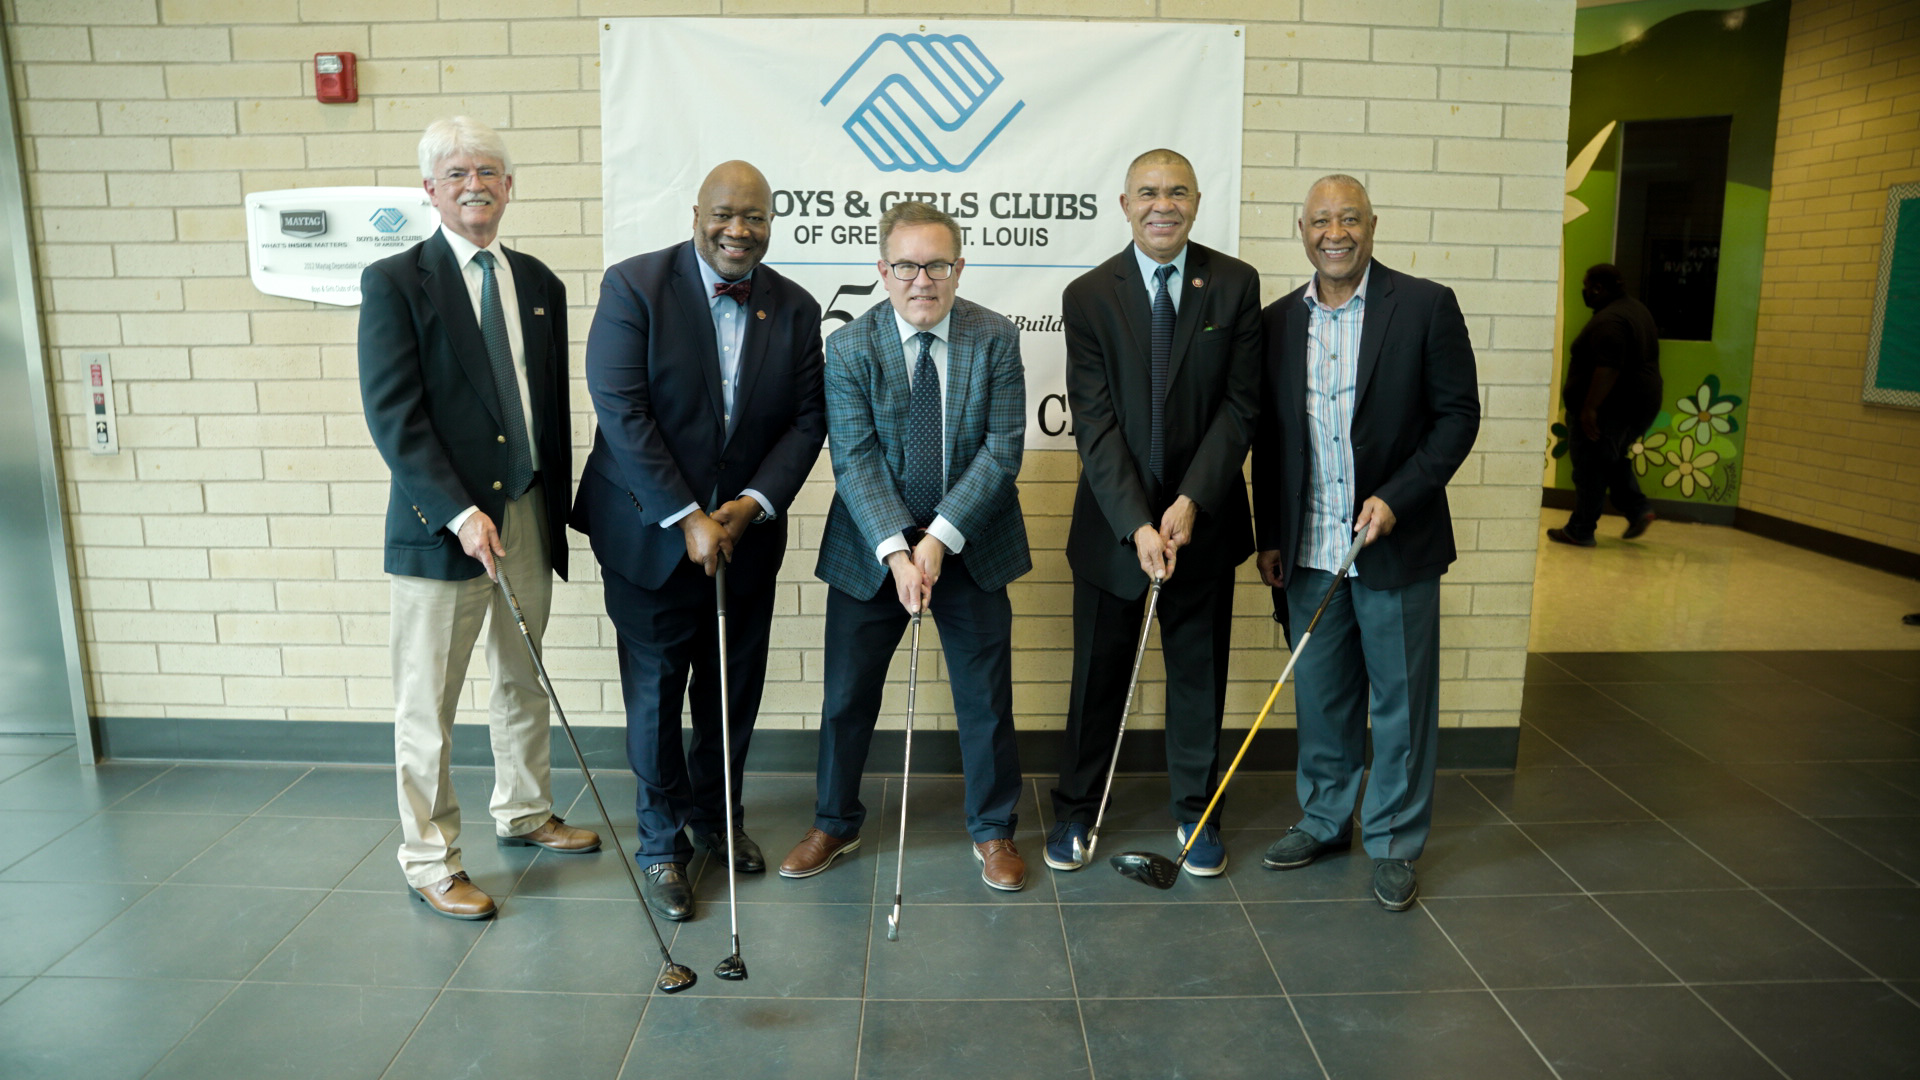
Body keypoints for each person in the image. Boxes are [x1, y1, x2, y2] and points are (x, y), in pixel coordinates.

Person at [571, 161, 826, 922]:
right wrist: (687, 517)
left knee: (730, 693)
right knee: (655, 698)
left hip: (744, 539)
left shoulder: (796, 307)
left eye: (754, 217)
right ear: (695, 214)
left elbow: (806, 421)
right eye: (725, 214)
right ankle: (660, 844)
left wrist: (747, 506)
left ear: (771, 224)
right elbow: (623, 410)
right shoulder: (633, 287)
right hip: (649, 539)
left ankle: (716, 819)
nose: (738, 231)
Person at [359, 116, 599, 921]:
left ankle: (525, 811)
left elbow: (545, 408)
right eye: (457, 172)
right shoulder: (395, 283)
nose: (476, 185)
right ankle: (430, 858)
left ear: (509, 186)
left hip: (526, 511)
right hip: (442, 529)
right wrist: (460, 511)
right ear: (430, 189)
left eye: (490, 171)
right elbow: (395, 416)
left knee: (522, 677)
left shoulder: (537, 283)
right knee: (428, 703)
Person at [777, 201, 1032, 892]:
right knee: (846, 697)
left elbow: (1003, 449)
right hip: (870, 549)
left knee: (986, 698)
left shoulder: (995, 337)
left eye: (938, 265)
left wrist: (942, 538)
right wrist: (898, 551)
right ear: (883, 271)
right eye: (908, 266)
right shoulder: (849, 347)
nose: (924, 280)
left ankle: (994, 830)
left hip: (972, 541)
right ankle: (834, 820)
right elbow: (855, 458)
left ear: (958, 268)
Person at [1251, 174, 1480, 911]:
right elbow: (1269, 439)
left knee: (1401, 703)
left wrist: (1397, 498)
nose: (1335, 232)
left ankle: (1392, 841)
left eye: (1350, 218)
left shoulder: (1423, 306)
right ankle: (1324, 819)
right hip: (1310, 549)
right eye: (1321, 220)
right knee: (1322, 698)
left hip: (1393, 544)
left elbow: (1457, 418)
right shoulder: (1279, 322)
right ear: (1302, 229)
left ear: (1373, 224)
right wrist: (1268, 537)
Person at [1045, 149, 1262, 878]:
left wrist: (1192, 501)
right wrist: (1139, 523)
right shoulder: (1087, 296)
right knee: (1096, 679)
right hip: (1115, 530)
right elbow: (1094, 422)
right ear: (1125, 204)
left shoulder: (1233, 284)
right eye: (1147, 192)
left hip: (1204, 522)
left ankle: (1197, 814)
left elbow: (1241, 407)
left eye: (1175, 192)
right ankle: (1078, 809)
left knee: (1199, 679)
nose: (1161, 204)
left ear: (1197, 201)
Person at [1547, 263, 1663, 547]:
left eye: (1587, 287)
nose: (1584, 292)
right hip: (1640, 404)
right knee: (1608, 457)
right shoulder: (1634, 309)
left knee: (1590, 465)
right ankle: (1638, 510)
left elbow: (1608, 367)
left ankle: (1580, 529)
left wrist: (1589, 409)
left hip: (1613, 407)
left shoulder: (1610, 321)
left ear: (1597, 288)